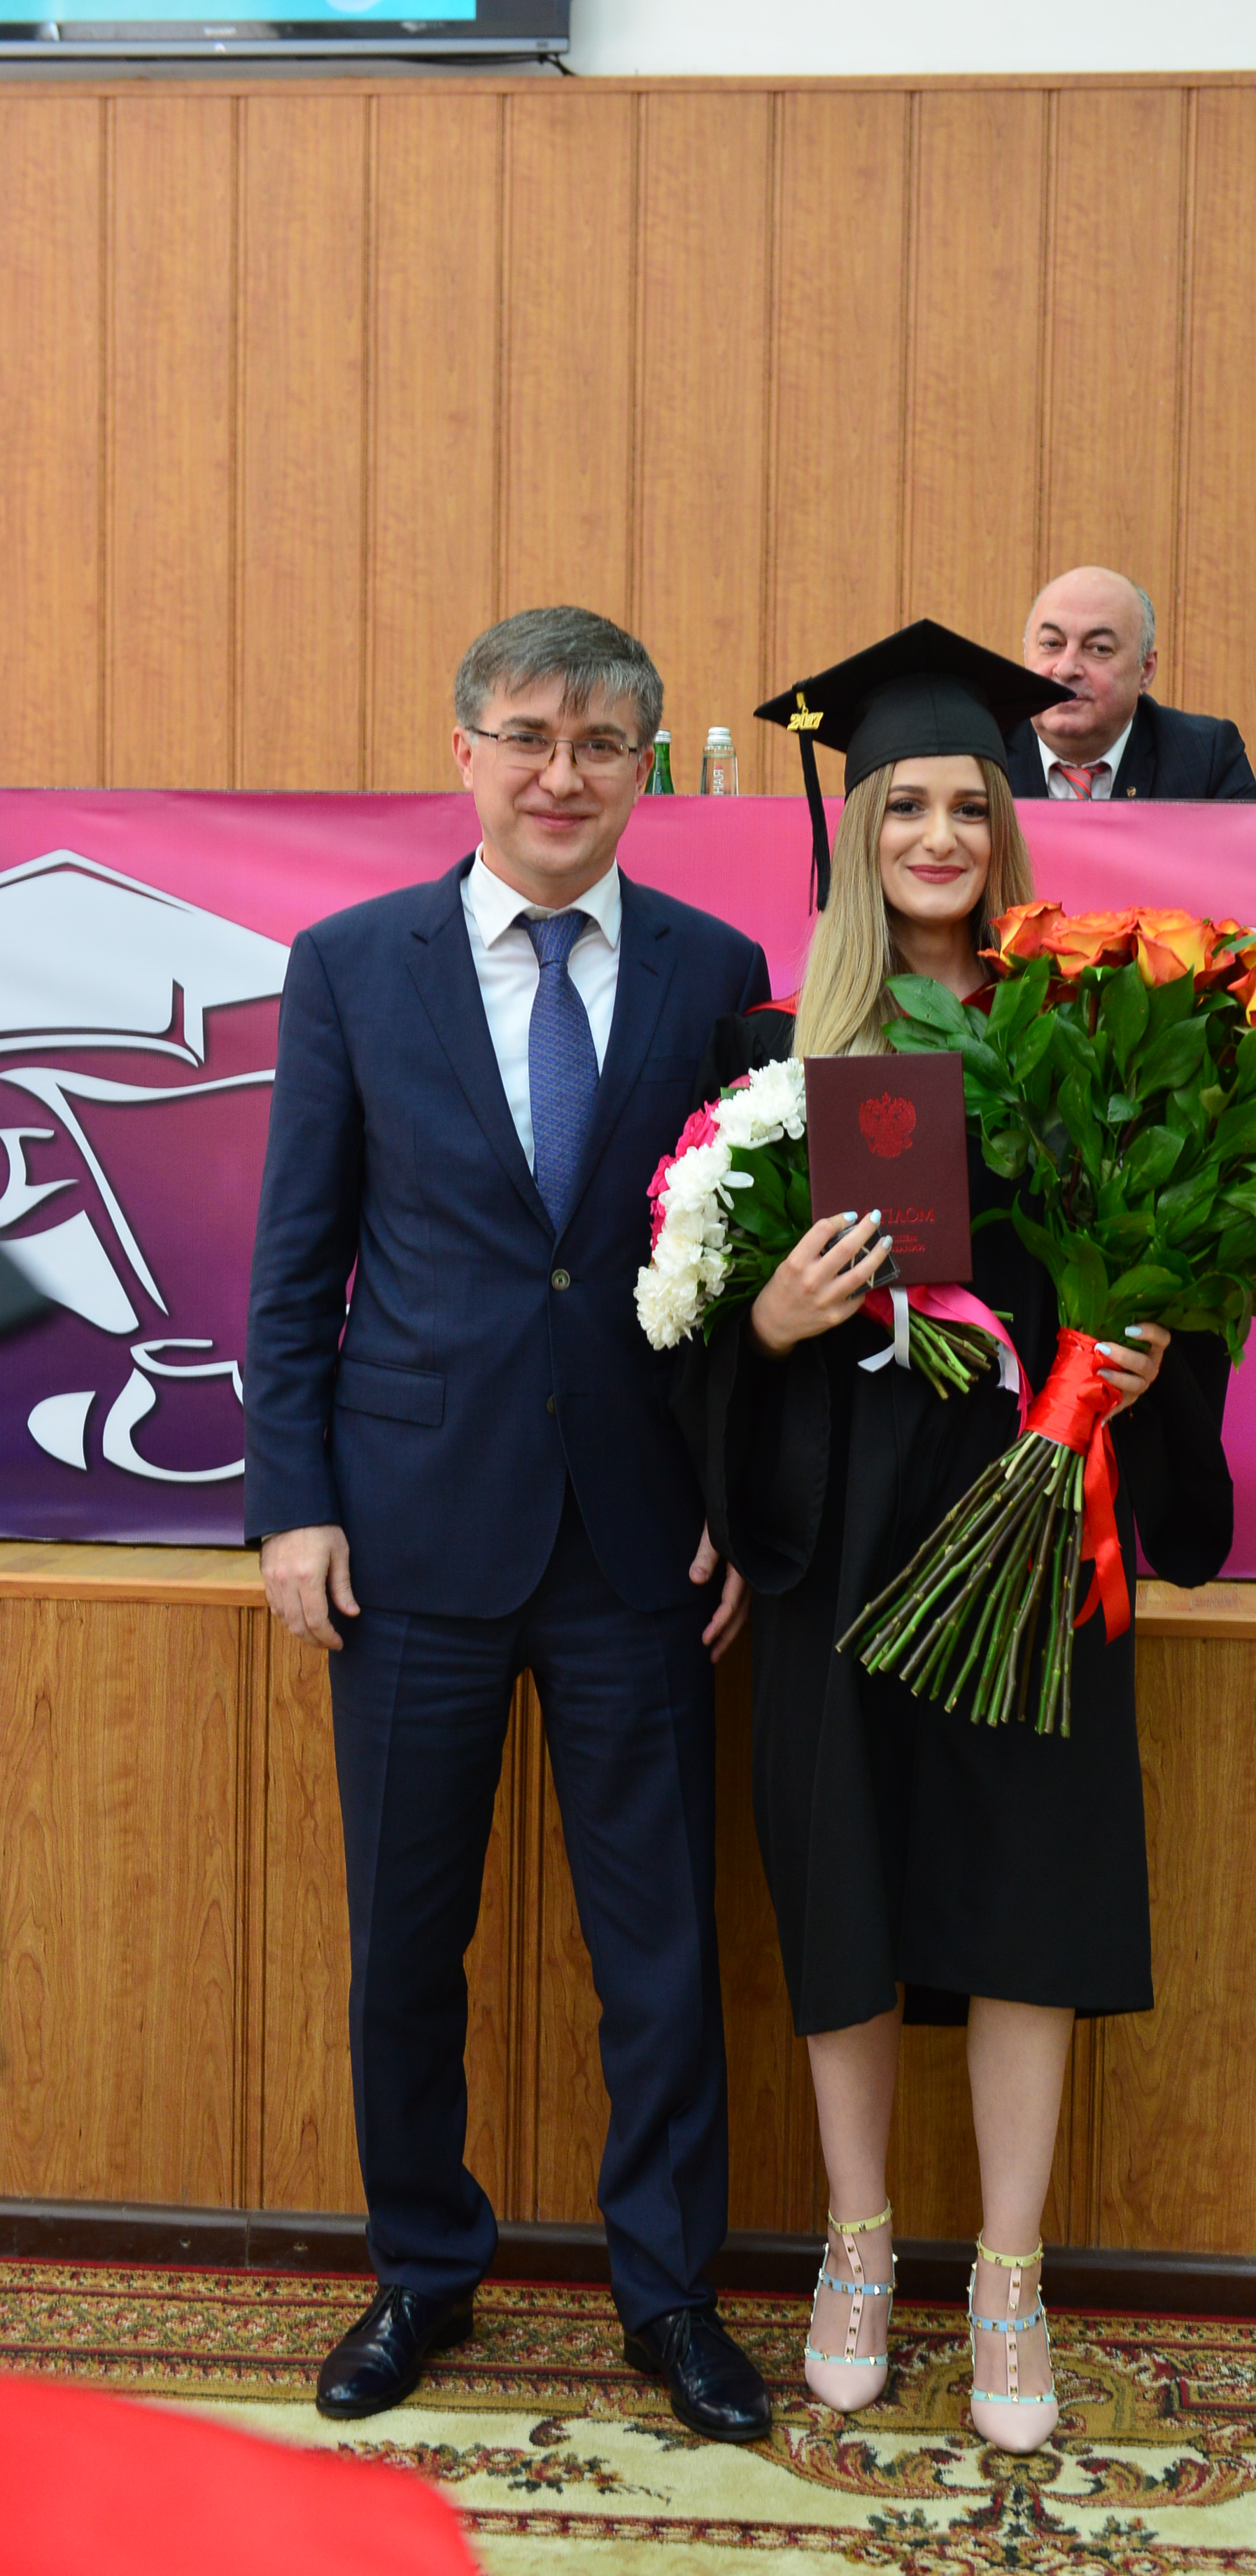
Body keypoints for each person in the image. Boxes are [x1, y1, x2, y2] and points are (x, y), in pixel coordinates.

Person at [686, 622, 1233, 2455]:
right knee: (840, 1872)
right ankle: (858, 2241)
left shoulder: (1090, 1036)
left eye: (968, 806)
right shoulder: (773, 1051)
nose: (937, 835)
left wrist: (1147, 1360)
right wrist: (770, 1328)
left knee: (1024, 1888)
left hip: (1036, 1512)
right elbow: (684, 1320)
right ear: (857, 831)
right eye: (903, 805)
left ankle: (1009, 2269)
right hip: (843, 1520)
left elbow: (1169, 1272)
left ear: (1010, 826)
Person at [244, 607, 775, 2442]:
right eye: (531, 736)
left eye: (602, 743)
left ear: (644, 771)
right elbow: (294, 1263)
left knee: (663, 1955)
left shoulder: (717, 969)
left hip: (641, 1545)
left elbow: (742, 1277)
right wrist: (293, 1504)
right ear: (464, 750)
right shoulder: (349, 967)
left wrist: (736, 1507)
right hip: (408, 1539)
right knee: (407, 1942)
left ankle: (670, 2295)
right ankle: (421, 2268)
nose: (564, 774)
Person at [1007, 564, 1256, 803]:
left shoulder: (1205, 760)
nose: (1066, 669)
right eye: (1051, 644)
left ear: (1145, 671)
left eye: (1099, 648)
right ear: (1026, 655)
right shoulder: (987, 750)